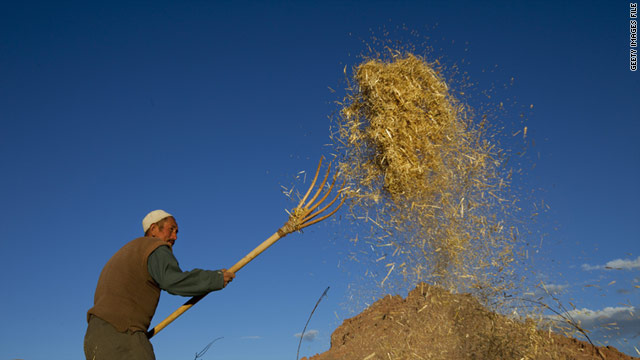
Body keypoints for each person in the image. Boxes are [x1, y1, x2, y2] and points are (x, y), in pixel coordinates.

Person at [84, 210, 235, 360]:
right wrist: (215, 278)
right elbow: (173, 281)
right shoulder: (153, 246)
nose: (175, 237)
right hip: (122, 334)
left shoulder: (126, 252)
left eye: (177, 232)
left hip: (95, 339)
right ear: (154, 229)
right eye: (171, 229)